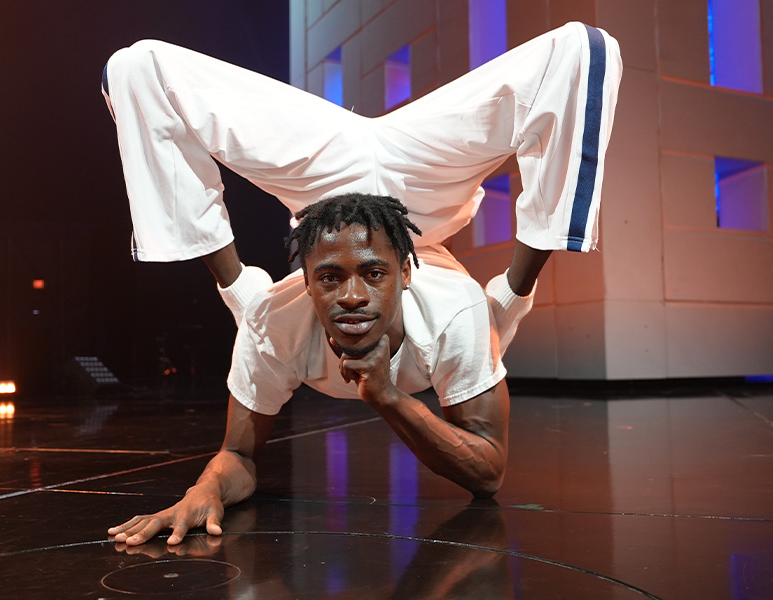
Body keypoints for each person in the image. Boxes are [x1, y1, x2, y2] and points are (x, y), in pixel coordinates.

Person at [102, 21, 621, 545]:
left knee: (139, 68)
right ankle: (350, 260)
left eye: (372, 276)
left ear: (405, 273)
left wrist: (389, 396)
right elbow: (237, 457)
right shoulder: (463, 314)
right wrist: (207, 488)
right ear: (308, 283)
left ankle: (354, 259)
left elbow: (486, 475)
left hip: (319, 185)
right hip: (425, 185)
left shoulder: (269, 322)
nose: (352, 297)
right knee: (578, 50)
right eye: (330, 279)